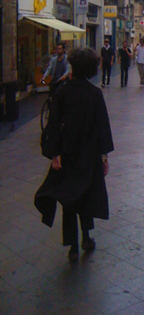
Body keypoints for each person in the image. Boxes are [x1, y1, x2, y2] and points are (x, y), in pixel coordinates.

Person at [34, 48, 114, 263]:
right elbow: (102, 127)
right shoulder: (95, 94)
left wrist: (55, 154)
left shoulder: (62, 92)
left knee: (68, 197)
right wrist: (103, 157)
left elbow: (52, 125)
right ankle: (86, 238)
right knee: (84, 194)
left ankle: (72, 246)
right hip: (88, 154)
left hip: (67, 153)